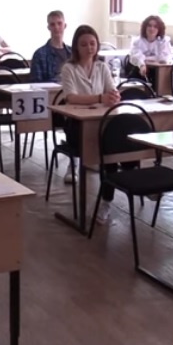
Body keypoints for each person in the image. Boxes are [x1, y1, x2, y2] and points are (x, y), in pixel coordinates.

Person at [60, 25, 122, 224]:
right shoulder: (69, 68)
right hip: (76, 125)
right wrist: (99, 98)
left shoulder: (102, 67)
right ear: (76, 47)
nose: (89, 48)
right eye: (84, 44)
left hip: (101, 121)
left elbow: (111, 91)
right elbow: (71, 98)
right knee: (106, 151)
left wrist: (114, 96)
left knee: (114, 153)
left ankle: (106, 201)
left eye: (93, 43)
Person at [30, 10, 71, 83]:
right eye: (52, 24)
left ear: (65, 25)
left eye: (59, 23)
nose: (56, 27)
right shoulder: (39, 55)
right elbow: (36, 84)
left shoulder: (73, 53)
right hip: (51, 90)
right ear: (48, 27)